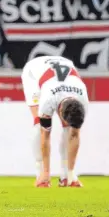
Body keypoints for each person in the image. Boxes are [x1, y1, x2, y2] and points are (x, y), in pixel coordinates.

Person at [21, 56, 88, 188]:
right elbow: (45, 135)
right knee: (39, 125)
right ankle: (41, 175)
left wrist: (71, 173)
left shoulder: (83, 100)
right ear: (60, 113)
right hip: (34, 73)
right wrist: (46, 172)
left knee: (70, 129)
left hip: (63, 68)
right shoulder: (48, 100)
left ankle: (66, 176)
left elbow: (74, 134)